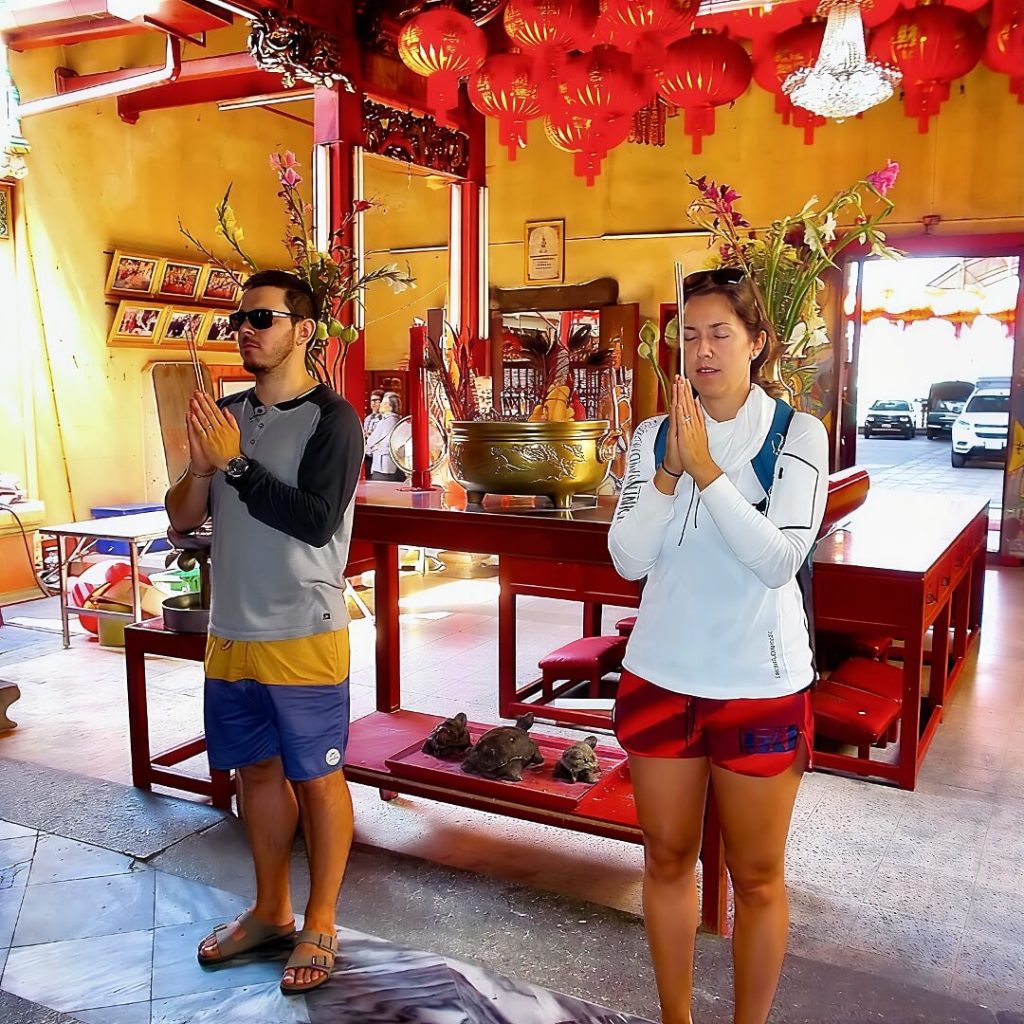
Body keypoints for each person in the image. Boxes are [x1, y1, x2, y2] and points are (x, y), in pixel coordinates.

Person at [607, 269, 828, 1024]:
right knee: (667, 860)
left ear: (758, 342)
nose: (702, 351)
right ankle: (676, 1017)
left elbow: (777, 561)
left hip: (757, 683)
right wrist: (671, 467)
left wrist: (711, 473)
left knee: (758, 874)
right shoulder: (649, 437)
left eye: (720, 333)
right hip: (661, 676)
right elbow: (629, 559)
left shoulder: (797, 435)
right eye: (689, 334)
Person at [165, 268, 363, 995]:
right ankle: (271, 908)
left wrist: (236, 465)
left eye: (261, 319)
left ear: (303, 330)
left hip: (302, 627)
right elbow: (184, 517)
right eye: (237, 322)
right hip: (232, 627)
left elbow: (314, 521)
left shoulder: (332, 419)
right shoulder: (227, 414)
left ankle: (321, 919)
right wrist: (198, 469)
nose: (244, 331)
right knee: (255, 772)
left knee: (317, 774)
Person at [365, 391, 405, 481]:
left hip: (384, 467)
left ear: (390, 406)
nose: (381, 405)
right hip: (381, 464)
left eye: (384, 403)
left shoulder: (389, 421)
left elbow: (387, 443)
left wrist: (375, 447)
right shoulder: (385, 419)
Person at [362, 390, 384, 477]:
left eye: (376, 401)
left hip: (377, 452)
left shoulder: (384, 419)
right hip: (367, 453)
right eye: (372, 401)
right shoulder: (368, 418)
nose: (373, 403)